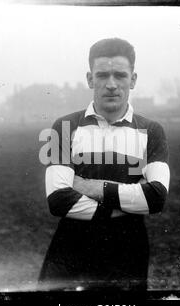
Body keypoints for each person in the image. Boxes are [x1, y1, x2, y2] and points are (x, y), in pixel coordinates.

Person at [38, 38, 170, 291]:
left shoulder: (152, 131)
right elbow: (57, 199)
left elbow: (156, 198)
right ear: (90, 79)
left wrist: (88, 186)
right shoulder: (64, 127)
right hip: (70, 249)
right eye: (102, 75)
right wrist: (125, 205)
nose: (111, 84)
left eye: (120, 75)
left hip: (127, 250)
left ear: (133, 80)